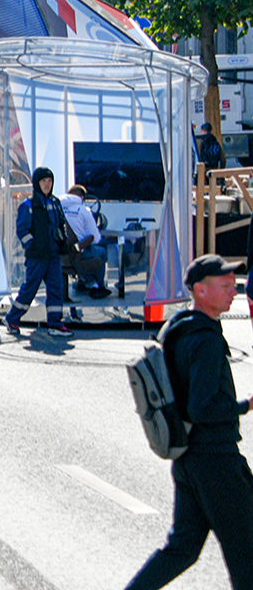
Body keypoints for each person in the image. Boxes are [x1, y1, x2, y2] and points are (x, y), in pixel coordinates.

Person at [124, 254, 253, 590]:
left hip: (188, 457)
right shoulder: (207, 340)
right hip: (216, 460)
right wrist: (245, 405)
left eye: (233, 284)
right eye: (224, 286)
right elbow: (202, 407)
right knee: (246, 551)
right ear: (200, 290)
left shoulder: (178, 328)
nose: (233, 291)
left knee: (182, 548)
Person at [4, 166, 75, 338]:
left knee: (56, 289)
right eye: (44, 181)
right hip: (37, 257)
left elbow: (60, 226)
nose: (47, 184)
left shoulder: (55, 203)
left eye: (50, 181)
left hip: (53, 255)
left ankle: (55, 324)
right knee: (30, 289)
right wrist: (33, 247)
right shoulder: (28, 205)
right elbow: (21, 231)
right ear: (37, 183)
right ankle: (12, 318)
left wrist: (62, 243)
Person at [61, 185, 112, 299]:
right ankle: (98, 286)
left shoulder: (57, 209)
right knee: (101, 251)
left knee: (82, 252)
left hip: (60, 255)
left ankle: (86, 281)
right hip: (77, 254)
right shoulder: (84, 211)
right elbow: (95, 237)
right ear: (82, 198)